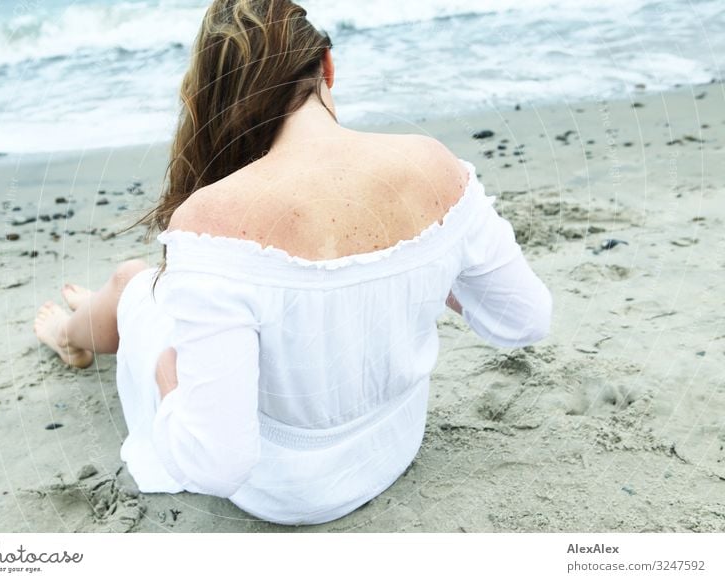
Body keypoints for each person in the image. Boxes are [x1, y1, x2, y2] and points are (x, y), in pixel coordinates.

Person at [34, 0, 552, 525]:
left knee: (130, 282)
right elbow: (525, 320)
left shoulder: (210, 220)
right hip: (393, 448)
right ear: (327, 66)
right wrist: (430, 263)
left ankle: (71, 334)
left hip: (283, 491)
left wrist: (169, 389)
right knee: (143, 292)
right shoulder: (436, 165)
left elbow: (218, 464)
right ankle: (90, 317)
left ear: (217, 97)